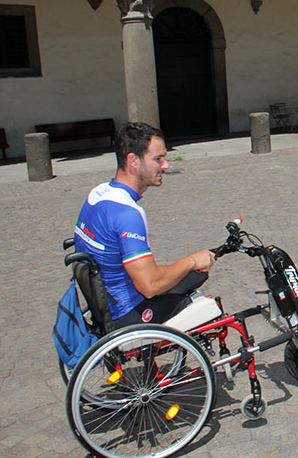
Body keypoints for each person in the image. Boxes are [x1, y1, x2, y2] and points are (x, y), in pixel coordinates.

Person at [74, 122, 217, 327]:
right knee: (207, 301)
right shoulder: (128, 213)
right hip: (128, 313)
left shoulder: (98, 192)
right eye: (158, 159)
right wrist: (192, 260)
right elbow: (150, 285)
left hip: (106, 303)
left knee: (193, 277)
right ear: (133, 160)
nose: (166, 165)